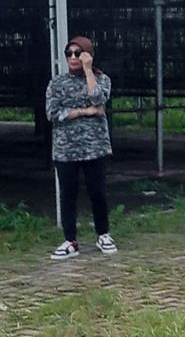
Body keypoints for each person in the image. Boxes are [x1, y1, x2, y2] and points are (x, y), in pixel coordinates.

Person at [45, 36, 116, 260]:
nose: (73, 57)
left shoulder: (101, 79)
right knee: (68, 194)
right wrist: (85, 112)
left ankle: (103, 234)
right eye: (69, 53)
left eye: (78, 53)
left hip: (95, 147)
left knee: (97, 192)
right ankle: (70, 240)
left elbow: (98, 98)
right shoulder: (57, 83)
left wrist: (88, 72)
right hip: (66, 149)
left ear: (88, 55)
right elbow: (53, 113)